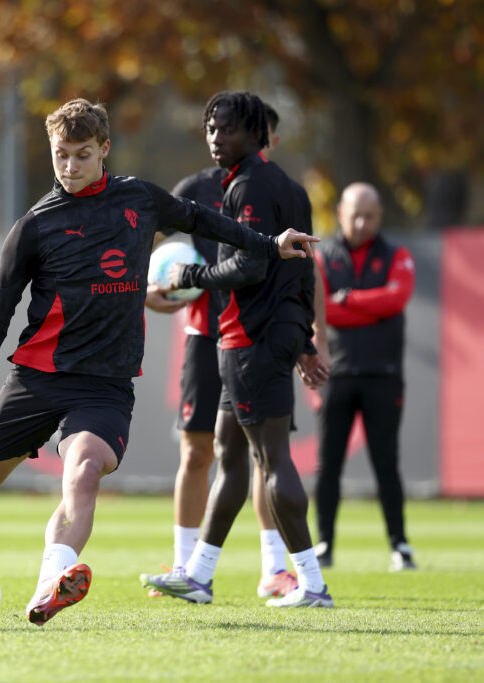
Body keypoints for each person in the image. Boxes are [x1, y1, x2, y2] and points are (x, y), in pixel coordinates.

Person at [0, 98, 320, 626]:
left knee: (84, 470)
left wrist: (271, 244)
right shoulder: (34, 228)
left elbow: (206, 220)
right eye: (60, 155)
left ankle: (51, 582)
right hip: (38, 380)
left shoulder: (139, 199)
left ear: (104, 150)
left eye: (82, 155)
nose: (69, 167)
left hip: (104, 389)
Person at [141, 91, 333, 608]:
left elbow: (251, 266)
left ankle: (310, 583)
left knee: (272, 462)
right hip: (261, 337)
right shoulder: (289, 188)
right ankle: (198, 576)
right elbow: (297, 267)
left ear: (256, 133)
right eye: (210, 129)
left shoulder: (246, 186)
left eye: (227, 130)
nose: (215, 138)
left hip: (251, 339)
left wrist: (190, 275)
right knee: (228, 455)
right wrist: (306, 340)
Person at [311, 182, 417, 572]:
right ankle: (323, 544)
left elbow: (397, 298)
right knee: (329, 465)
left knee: (386, 463)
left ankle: (399, 545)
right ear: (340, 212)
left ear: (380, 216)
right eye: (355, 213)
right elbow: (321, 310)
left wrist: (349, 298)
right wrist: (368, 307)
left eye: (369, 215)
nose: (361, 221)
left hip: (383, 375)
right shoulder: (324, 256)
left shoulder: (396, 254)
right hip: (336, 374)